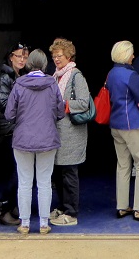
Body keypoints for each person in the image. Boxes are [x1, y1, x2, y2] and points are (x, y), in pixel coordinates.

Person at [4, 48, 64, 235]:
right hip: (47, 138)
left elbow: (9, 114)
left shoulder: (19, 84)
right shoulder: (52, 84)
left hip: (23, 139)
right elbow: (60, 112)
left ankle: (25, 223)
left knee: (24, 182)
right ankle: (44, 223)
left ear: (29, 64)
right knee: (45, 182)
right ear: (46, 64)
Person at [107, 40, 139, 222]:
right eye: (131, 53)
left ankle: (122, 205)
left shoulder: (111, 73)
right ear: (126, 55)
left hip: (116, 123)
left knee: (123, 164)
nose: (133, 56)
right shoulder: (131, 75)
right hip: (132, 124)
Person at [49, 38, 89, 227]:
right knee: (59, 172)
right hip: (58, 132)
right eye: (54, 56)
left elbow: (84, 103)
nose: (56, 59)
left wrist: (63, 105)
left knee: (69, 172)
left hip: (72, 134)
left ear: (69, 56)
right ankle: (63, 207)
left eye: (59, 56)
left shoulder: (76, 76)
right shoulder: (56, 76)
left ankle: (71, 213)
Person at [0, 42, 28, 226]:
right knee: (15, 171)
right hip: (9, 130)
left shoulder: (17, 76)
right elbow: (3, 103)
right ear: (10, 57)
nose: (22, 59)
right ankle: (4, 208)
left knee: (19, 170)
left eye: (24, 56)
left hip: (15, 128)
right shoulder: (4, 78)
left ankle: (13, 205)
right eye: (18, 56)